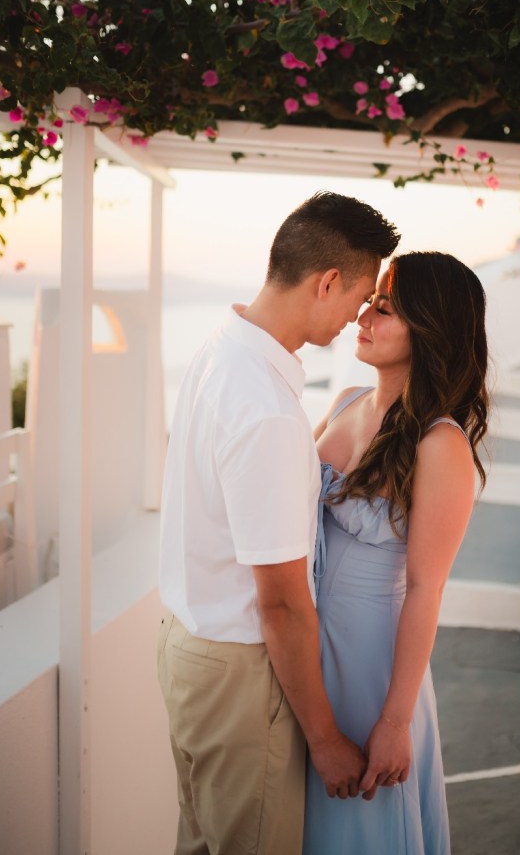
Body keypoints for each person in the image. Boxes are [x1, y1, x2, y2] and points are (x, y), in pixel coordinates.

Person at [157, 191, 400, 855]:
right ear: (327, 282)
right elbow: (283, 603)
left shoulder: (217, 352)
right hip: (238, 671)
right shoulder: (265, 408)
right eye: (358, 297)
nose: (357, 316)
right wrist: (324, 740)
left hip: (187, 646)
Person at [303, 251, 489, 855]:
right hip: (305, 649)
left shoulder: (440, 444)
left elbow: (426, 589)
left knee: (358, 831)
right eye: (371, 300)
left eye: (386, 307)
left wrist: (393, 721)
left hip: (370, 663)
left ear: (430, 329)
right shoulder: (344, 402)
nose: (364, 314)